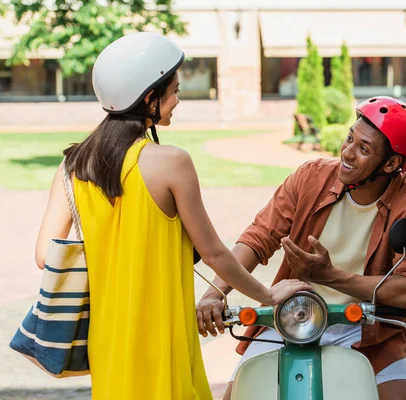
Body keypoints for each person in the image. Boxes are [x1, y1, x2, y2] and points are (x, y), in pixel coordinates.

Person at [34, 32, 310, 400]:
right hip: (163, 339)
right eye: (174, 90)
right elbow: (213, 252)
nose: (178, 100)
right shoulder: (172, 162)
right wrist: (269, 295)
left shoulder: (73, 164)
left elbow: (45, 256)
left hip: (109, 339)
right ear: (150, 98)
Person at [196, 96, 406, 400]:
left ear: (391, 164)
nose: (347, 152)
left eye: (364, 149)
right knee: (238, 395)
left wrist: (329, 276)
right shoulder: (311, 177)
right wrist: (213, 294)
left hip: (366, 330)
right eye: (350, 138)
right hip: (292, 320)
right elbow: (258, 238)